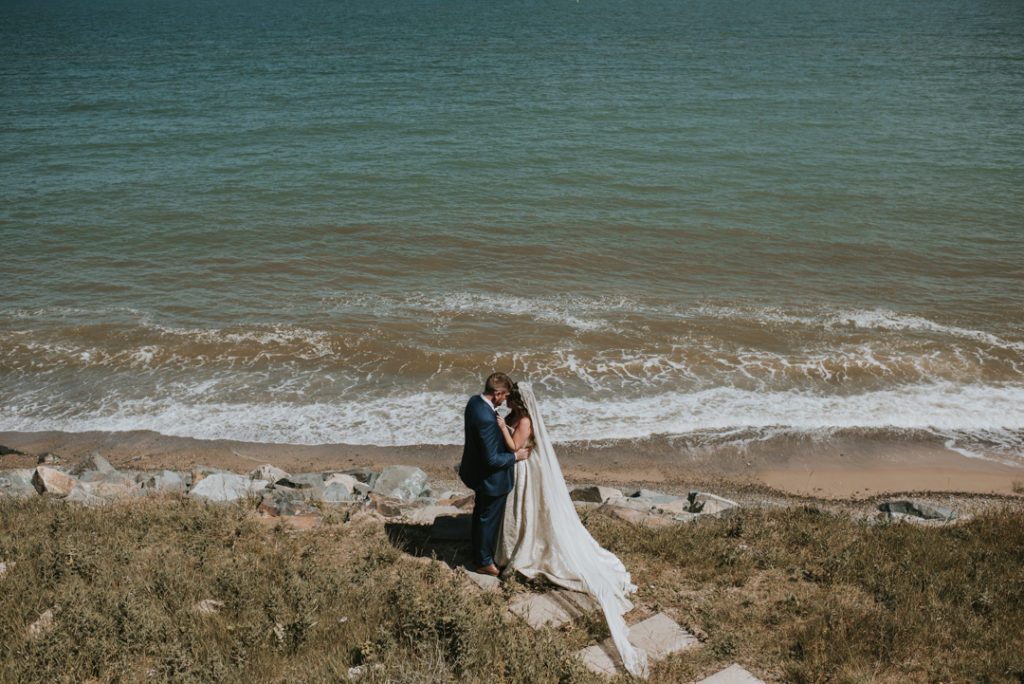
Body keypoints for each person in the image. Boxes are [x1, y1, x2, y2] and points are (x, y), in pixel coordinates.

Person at [494, 382, 649, 678]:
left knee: (526, 512)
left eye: (511, 398)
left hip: (524, 470)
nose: (508, 402)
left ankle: (521, 550)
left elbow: (515, 446)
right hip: (516, 468)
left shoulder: (523, 420)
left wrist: (502, 428)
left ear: (519, 401)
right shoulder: (516, 415)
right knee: (517, 514)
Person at [458, 372, 531, 577]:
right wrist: (516, 457)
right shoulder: (487, 418)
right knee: (488, 519)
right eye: (505, 396)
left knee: (481, 514)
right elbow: (492, 459)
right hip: (491, 477)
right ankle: (484, 562)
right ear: (497, 393)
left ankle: (478, 551)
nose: (507, 400)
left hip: (477, 470)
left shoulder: (474, 402)